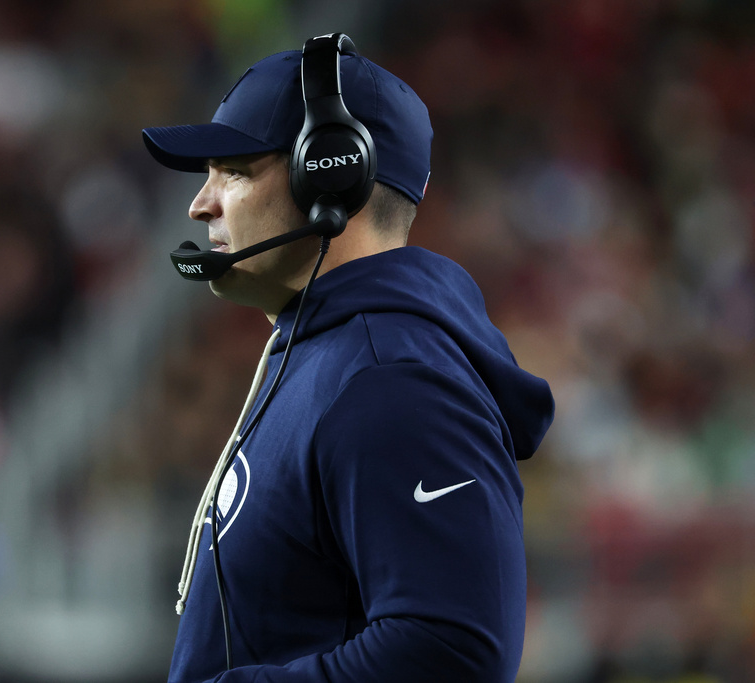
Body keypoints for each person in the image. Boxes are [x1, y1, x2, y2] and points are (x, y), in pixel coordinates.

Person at [142, 34, 555, 683]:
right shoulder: (330, 356)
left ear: (329, 171)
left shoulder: (390, 376)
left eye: (235, 172)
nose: (201, 204)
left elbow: (454, 649)